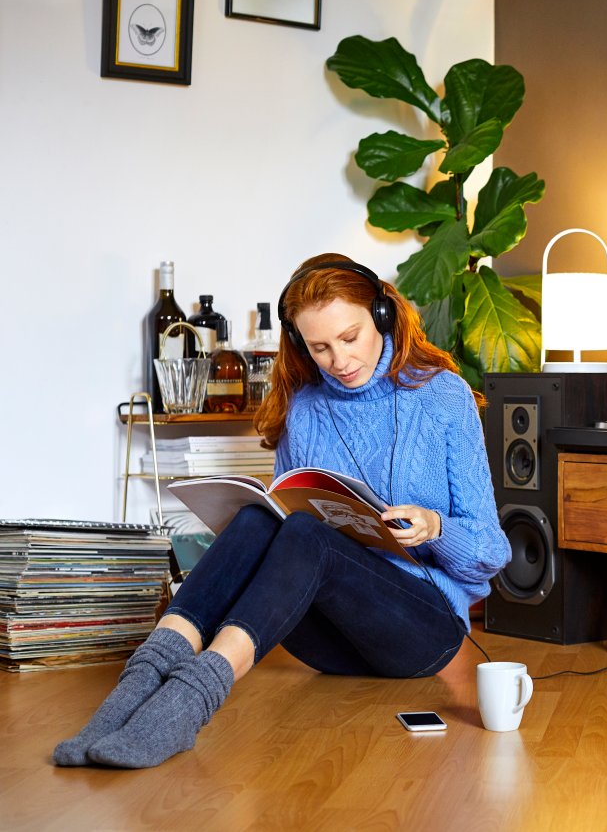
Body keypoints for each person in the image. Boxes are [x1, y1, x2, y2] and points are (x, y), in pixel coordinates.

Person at [54, 253, 510, 769]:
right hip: (330, 643)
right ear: (299, 344)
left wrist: (435, 527)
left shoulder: (441, 396)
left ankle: (190, 702)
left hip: (422, 630)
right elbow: (288, 512)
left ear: (382, 316)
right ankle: (133, 690)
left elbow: (492, 552)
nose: (339, 360)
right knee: (258, 519)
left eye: (350, 336)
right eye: (319, 347)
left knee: (306, 534)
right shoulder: (308, 409)